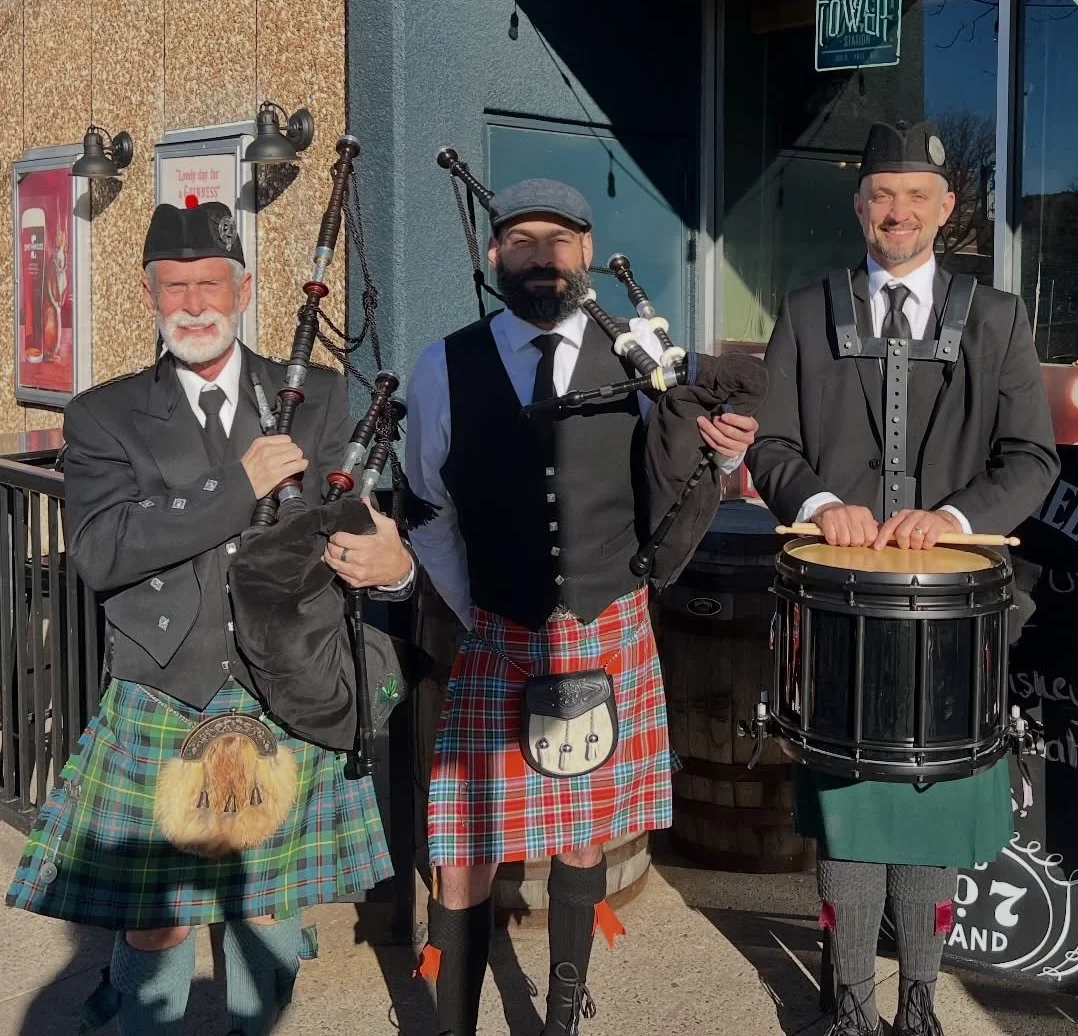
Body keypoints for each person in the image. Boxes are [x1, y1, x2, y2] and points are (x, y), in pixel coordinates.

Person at [6, 201, 415, 1035]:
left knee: (270, 908)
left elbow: (366, 523)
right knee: (160, 916)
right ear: (151, 293)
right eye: (174, 285)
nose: (193, 302)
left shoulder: (324, 396)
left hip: (290, 688)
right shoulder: (103, 413)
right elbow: (103, 549)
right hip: (168, 690)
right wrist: (239, 481)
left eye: (210, 283)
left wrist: (396, 566)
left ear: (244, 288)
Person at [404, 178, 757, 1036]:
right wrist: (479, 604)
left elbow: (675, 477)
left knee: (583, 832)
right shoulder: (442, 365)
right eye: (521, 240)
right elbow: (425, 505)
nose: (540, 258)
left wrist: (723, 454)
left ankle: (562, 1011)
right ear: (494, 256)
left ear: (587, 253)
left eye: (558, 241)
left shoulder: (641, 357)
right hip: (498, 628)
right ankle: (456, 1023)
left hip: (608, 625)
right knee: (464, 850)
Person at [747, 121, 1059, 1036]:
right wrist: (817, 501)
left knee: (931, 806)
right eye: (883, 196)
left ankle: (919, 995)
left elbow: (1032, 457)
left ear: (947, 210)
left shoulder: (997, 317)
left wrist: (957, 518)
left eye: (917, 197)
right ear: (859, 206)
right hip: (839, 606)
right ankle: (848, 999)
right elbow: (771, 446)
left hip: (955, 609)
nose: (899, 212)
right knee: (850, 811)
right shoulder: (808, 311)